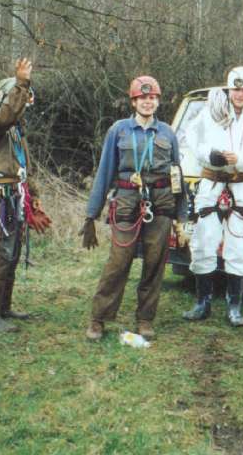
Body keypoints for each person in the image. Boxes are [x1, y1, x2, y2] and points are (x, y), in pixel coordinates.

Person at [80, 76, 186, 341]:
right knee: (118, 262)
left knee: (155, 263)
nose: (148, 102)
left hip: (161, 205)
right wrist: (91, 215)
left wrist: (181, 217)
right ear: (133, 102)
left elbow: (177, 175)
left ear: (158, 101)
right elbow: (105, 172)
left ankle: (145, 318)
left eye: (152, 98)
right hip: (127, 204)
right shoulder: (119, 131)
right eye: (142, 98)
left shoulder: (168, 133)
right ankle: (99, 318)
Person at [182, 67, 243, 327]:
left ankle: (234, 307)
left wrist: (240, 159)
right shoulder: (211, 112)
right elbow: (192, 137)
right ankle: (202, 303)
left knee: (237, 245)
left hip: (241, 184)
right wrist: (209, 155)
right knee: (203, 241)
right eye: (235, 89)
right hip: (211, 183)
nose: (239, 94)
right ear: (229, 90)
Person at [0, 58, 52, 334]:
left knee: (12, 254)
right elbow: (6, 115)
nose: (22, 107)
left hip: (17, 197)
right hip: (0, 198)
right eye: (19, 99)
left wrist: (34, 197)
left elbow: (25, 169)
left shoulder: (16, 133)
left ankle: (3, 308)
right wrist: (22, 82)